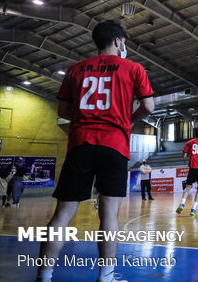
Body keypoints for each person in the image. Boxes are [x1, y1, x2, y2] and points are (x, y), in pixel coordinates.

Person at [37, 19, 154, 282]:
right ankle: (106, 277)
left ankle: (43, 276)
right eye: (124, 41)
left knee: (62, 215)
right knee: (109, 214)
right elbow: (149, 107)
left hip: (81, 143)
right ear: (118, 41)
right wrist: (127, 120)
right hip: (114, 145)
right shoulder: (133, 68)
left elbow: (64, 111)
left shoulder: (75, 70)